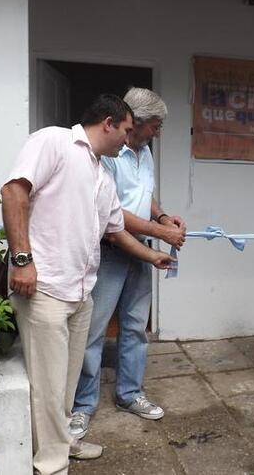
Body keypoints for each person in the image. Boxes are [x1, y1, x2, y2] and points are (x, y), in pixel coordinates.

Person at [1, 93, 175, 474]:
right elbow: (14, 191)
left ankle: (64, 442)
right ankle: (51, 465)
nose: (129, 139)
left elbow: (116, 230)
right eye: (126, 130)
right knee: (48, 385)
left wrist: (153, 255)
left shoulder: (100, 172)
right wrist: (22, 260)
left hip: (80, 291)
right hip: (44, 286)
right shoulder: (55, 142)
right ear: (109, 123)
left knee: (63, 380)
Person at [71, 88, 186, 439]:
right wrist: (159, 232)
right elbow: (113, 212)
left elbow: (143, 194)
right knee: (93, 331)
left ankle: (130, 393)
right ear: (133, 123)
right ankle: (82, 405)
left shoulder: (144, 151)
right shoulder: (108, 154)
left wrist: (163, 217)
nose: (158, 132)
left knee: (136, 326)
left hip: (142, 249)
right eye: (155, 125)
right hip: (109, 252)